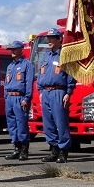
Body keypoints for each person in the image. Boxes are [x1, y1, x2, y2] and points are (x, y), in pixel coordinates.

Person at [37, 28, 76, 163]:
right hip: (45, 92)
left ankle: (63, 151)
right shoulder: (46, 56)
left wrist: (68, 92)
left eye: (53, 37)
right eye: (48, 38)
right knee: (48, 124)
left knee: (61, 122)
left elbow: (71, 75)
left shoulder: (65, 56)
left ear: (60, 39)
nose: (49, 40)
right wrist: (40, 90)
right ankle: (53, 150)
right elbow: (41, 74)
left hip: (59, 92)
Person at [4, 41, 35, 161]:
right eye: (11, 49)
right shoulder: (10, 66)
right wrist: (6, 97)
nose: (12, 51)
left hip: (20, 97)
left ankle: (24, 150)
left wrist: (26, 98)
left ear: (21, 50)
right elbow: (7, 83)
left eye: (15, 49)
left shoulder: (27, 65)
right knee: (12, 125)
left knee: (21, 124)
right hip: (10, 98)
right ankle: (16, 148)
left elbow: (28, 83)